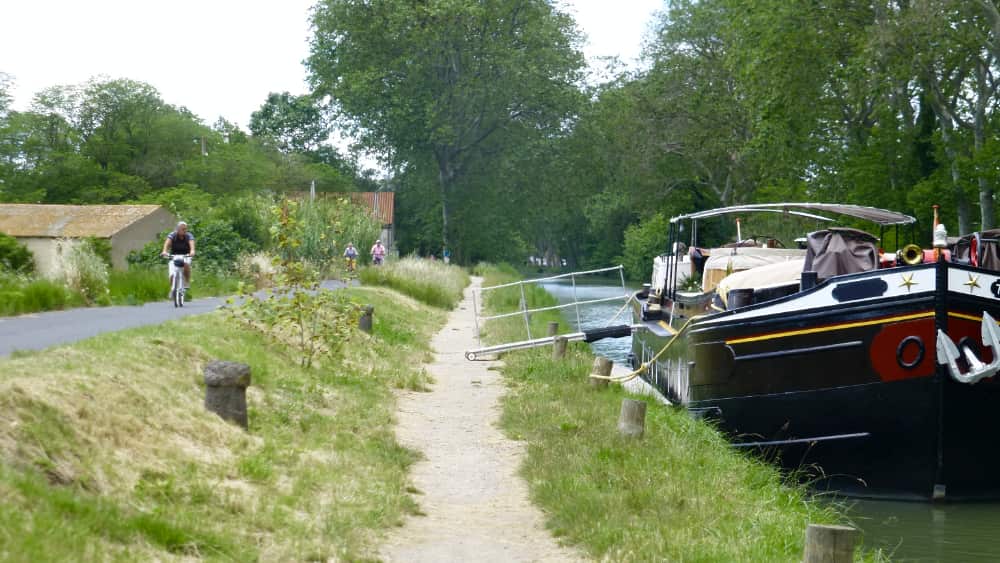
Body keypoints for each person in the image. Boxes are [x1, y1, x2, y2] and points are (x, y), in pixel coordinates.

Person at [160, 221, 195, 291]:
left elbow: (192, 244)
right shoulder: (173, 235)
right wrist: (164, 251)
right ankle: (172, 289)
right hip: (174, 256)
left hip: (186, 255)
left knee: (186, 264)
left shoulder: (189, 235)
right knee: (172, 275)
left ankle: (186, 282)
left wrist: (192, 251)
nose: (185, 230)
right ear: (178, 229)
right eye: (183, 229)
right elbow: (167, 243)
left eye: (186, 229)